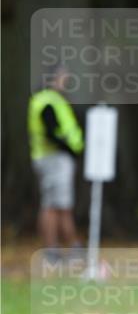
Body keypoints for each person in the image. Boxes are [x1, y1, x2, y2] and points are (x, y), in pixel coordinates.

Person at [28, 68, 84, 257]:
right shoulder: (48, 101)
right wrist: (69, 149)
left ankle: (63, 246)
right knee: (56, 205)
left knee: (57, 204)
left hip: (52, 158)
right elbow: (50, 131)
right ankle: (57, 247)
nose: (66, 81)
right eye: (63, 77)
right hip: (54, 159)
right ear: (53, 78)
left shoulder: (49, 100)